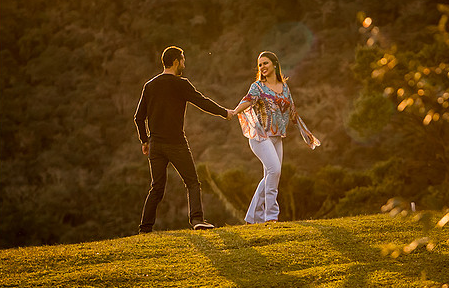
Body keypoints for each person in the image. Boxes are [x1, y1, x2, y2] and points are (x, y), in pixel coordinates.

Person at [133, 46, 235, 233]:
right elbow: (202, 102)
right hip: (176, 143)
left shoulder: (150, 85)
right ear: (175, 62)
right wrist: (225, 113)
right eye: (183, 60)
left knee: (156, 188)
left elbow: (138, 117)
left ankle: (145, 228)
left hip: (155, 144)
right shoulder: (181, 84)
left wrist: (145, 141)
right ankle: (197, 220)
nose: (184, 64)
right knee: (192, 182)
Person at [230, 51, 320, 224]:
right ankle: (270, 217)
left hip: (277, 137)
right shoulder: (257, 87)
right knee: (275, 171)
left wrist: (305, 132)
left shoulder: (284, 87)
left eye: (265, 63)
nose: (262, 67)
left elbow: (292, 112)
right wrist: (233, 112)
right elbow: (247, 100)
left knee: (271, 175)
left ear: (275, 64)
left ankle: (252, 217)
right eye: (260, 65)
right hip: (260, 136)